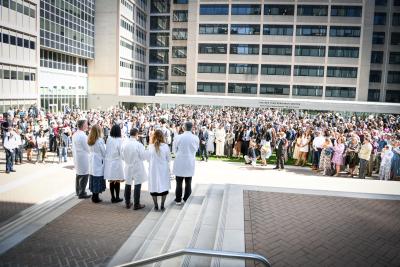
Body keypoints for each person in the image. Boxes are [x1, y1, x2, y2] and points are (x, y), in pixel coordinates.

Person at [172, 121, 200, 205]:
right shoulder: (195, 138)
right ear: (192, 128)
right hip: (189, 161)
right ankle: (186, 199)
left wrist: (178, 154)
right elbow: (196, 150)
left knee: (179, 182)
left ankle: (178, 199)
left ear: (184, 128)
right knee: (188, 182)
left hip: (180, 160)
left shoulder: (178, 137)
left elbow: (174, 150)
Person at [121, 127, 147, 210]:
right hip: (137, 165)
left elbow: (122, 156)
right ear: (136, 134)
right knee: (137, 184)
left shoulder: (124, 143)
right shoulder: (138, 145)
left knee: (128, 184)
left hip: (128, 165)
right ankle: (136, 204)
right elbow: (143, 157)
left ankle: (127, 203)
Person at [147, 129, 171, 211]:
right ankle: (162, 205)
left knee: (154, 187)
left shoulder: (150, 147)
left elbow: (147, 159)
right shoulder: (165, 147)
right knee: (164, 187)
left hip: (153, 170)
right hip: (163, 170)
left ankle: (156, 205)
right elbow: (169, 159)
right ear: (162, 137)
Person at [104, 124, 125, 203]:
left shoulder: (109, 139)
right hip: (116, 162)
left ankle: (112, 197)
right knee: (117, 180)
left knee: (112, 180)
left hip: (109, 162)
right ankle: (117, 197)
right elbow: (121, 152)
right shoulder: (119, 140)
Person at [72, 119, 91, 199]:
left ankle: (78, 191)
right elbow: (87, 148)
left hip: (77, 156)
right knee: (84, 174)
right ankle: (82, 192)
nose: (87, 125)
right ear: (83, 125)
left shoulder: (75, 134)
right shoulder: (83, 135)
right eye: (86, 124)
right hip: (83, 157)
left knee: (79, 174)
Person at [88, 124, 106, 203]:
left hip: (92, 159)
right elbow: (104, 152)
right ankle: (96, 197)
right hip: (98, 160)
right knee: (97, 177)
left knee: (93, 176)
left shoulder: (90, 139)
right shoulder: (99, 140)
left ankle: (94, 195)